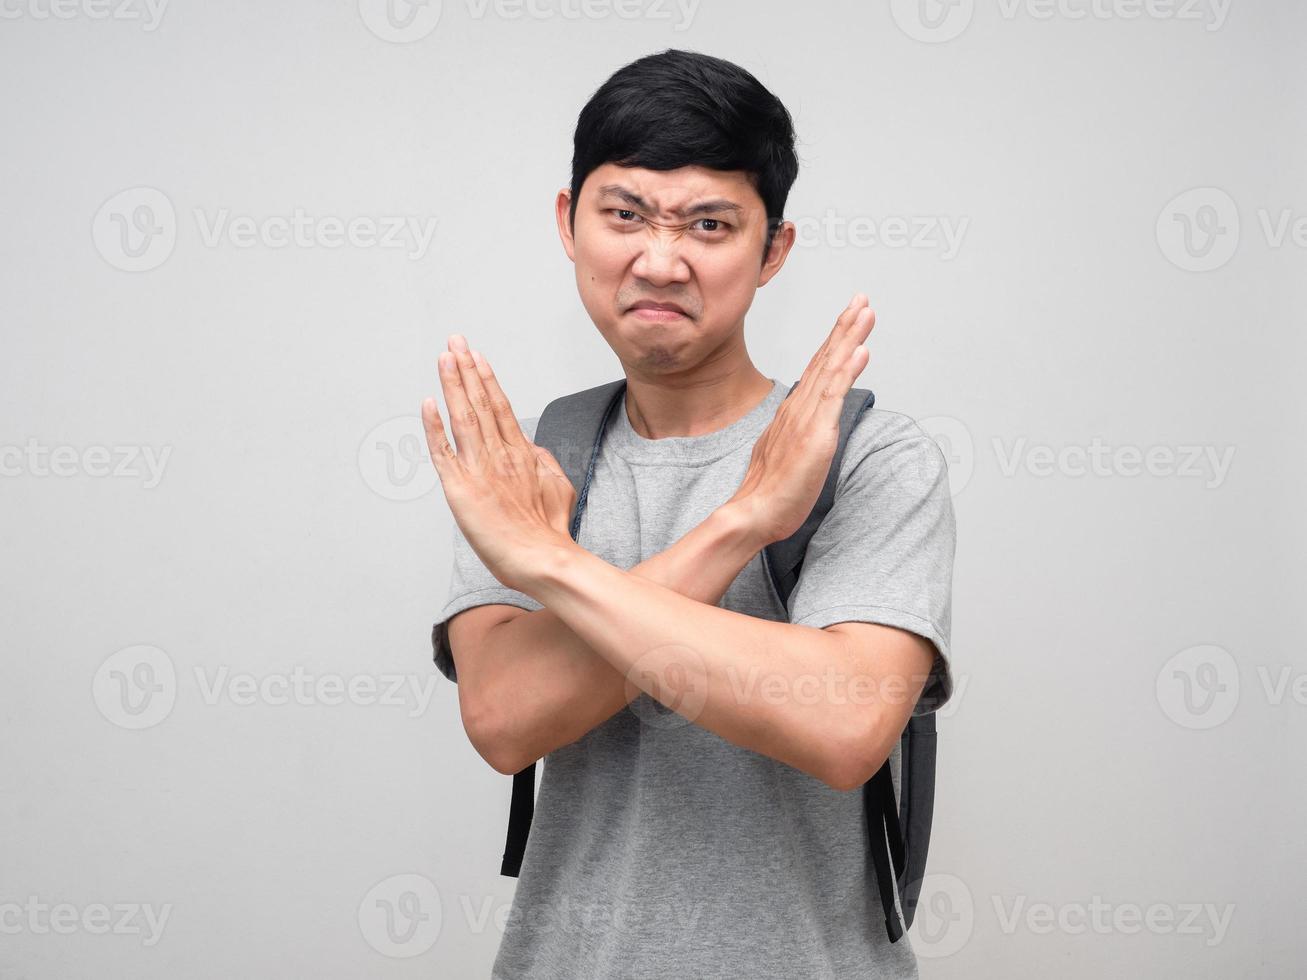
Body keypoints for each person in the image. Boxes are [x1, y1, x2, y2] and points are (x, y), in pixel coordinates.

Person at [423, 48, 957, 980]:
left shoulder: (865, 455)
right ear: (569, 222)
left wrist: (550, 566)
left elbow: (840, 726)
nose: (659, 259)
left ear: (772, 250)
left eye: (708, 223)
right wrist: (741, 523)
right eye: (623, 214)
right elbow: (505, 719)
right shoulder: (533, 462)